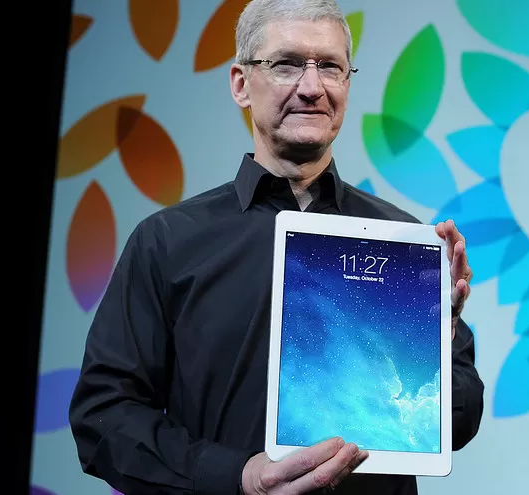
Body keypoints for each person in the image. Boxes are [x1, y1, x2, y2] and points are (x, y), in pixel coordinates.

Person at [67, 0, 484, 493]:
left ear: (347, 84)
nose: (312, 87)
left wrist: (436, 345)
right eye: (286, 64)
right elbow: (104, 416)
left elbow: (459, 420)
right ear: (241, 84)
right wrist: (238, 477)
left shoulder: (404, 240)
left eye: (330, 66)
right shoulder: (167, 241)